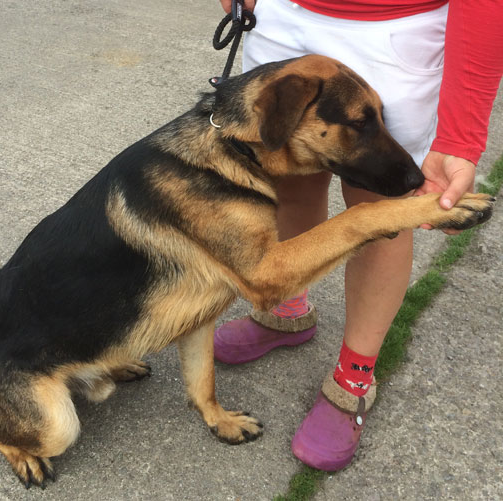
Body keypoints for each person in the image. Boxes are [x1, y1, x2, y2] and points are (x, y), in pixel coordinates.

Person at [215, 0, 503, 471]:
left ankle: (354, 378)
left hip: (390, 32)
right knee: (287, 183)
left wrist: (460, 135)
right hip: (284, 19)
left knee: (382, 213)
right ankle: (287, 312)